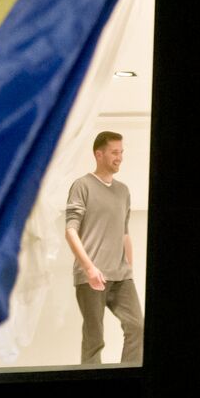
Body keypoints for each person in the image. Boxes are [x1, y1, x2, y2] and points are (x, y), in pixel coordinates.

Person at [66, 131, 144, 364]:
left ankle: (129, 378)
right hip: (91, 276)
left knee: (137, 327)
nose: (119, 157)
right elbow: (70, 231)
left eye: (121, 152)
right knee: (94, 340)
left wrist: (129, 269)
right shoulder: (82, 186)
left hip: (121, 277)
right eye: (114, 152)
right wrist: (89, 268)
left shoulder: (123, 191)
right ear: (98, 154)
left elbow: (124, 233)